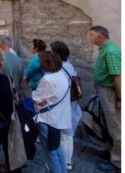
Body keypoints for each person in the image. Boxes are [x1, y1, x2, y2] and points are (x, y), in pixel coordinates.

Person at [32, 51, 71, 173]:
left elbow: (36, 97)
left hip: (48, 119)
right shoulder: (61, 74)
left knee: (50, 152)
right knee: (56, 147)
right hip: (57, 117)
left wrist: (35, 96)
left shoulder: (48, 79)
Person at [89, 25, 121, 171]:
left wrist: (120, 99)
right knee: (109, 124)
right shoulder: (105, 50)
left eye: (91, 35)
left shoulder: (110, 52)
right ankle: (111, 151)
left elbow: (118, 77)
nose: (90, 38)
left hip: (110, 94)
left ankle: (118, 162)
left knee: (116, 127)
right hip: (104, 92)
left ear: (100, 36)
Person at [50, 40, 82, 171]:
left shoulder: (60, 69)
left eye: (52, 51)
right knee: (68, 134)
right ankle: (67, 161)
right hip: (71, 103)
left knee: (65, 135)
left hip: (64, 105)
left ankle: (66, 161)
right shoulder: (68, 64)